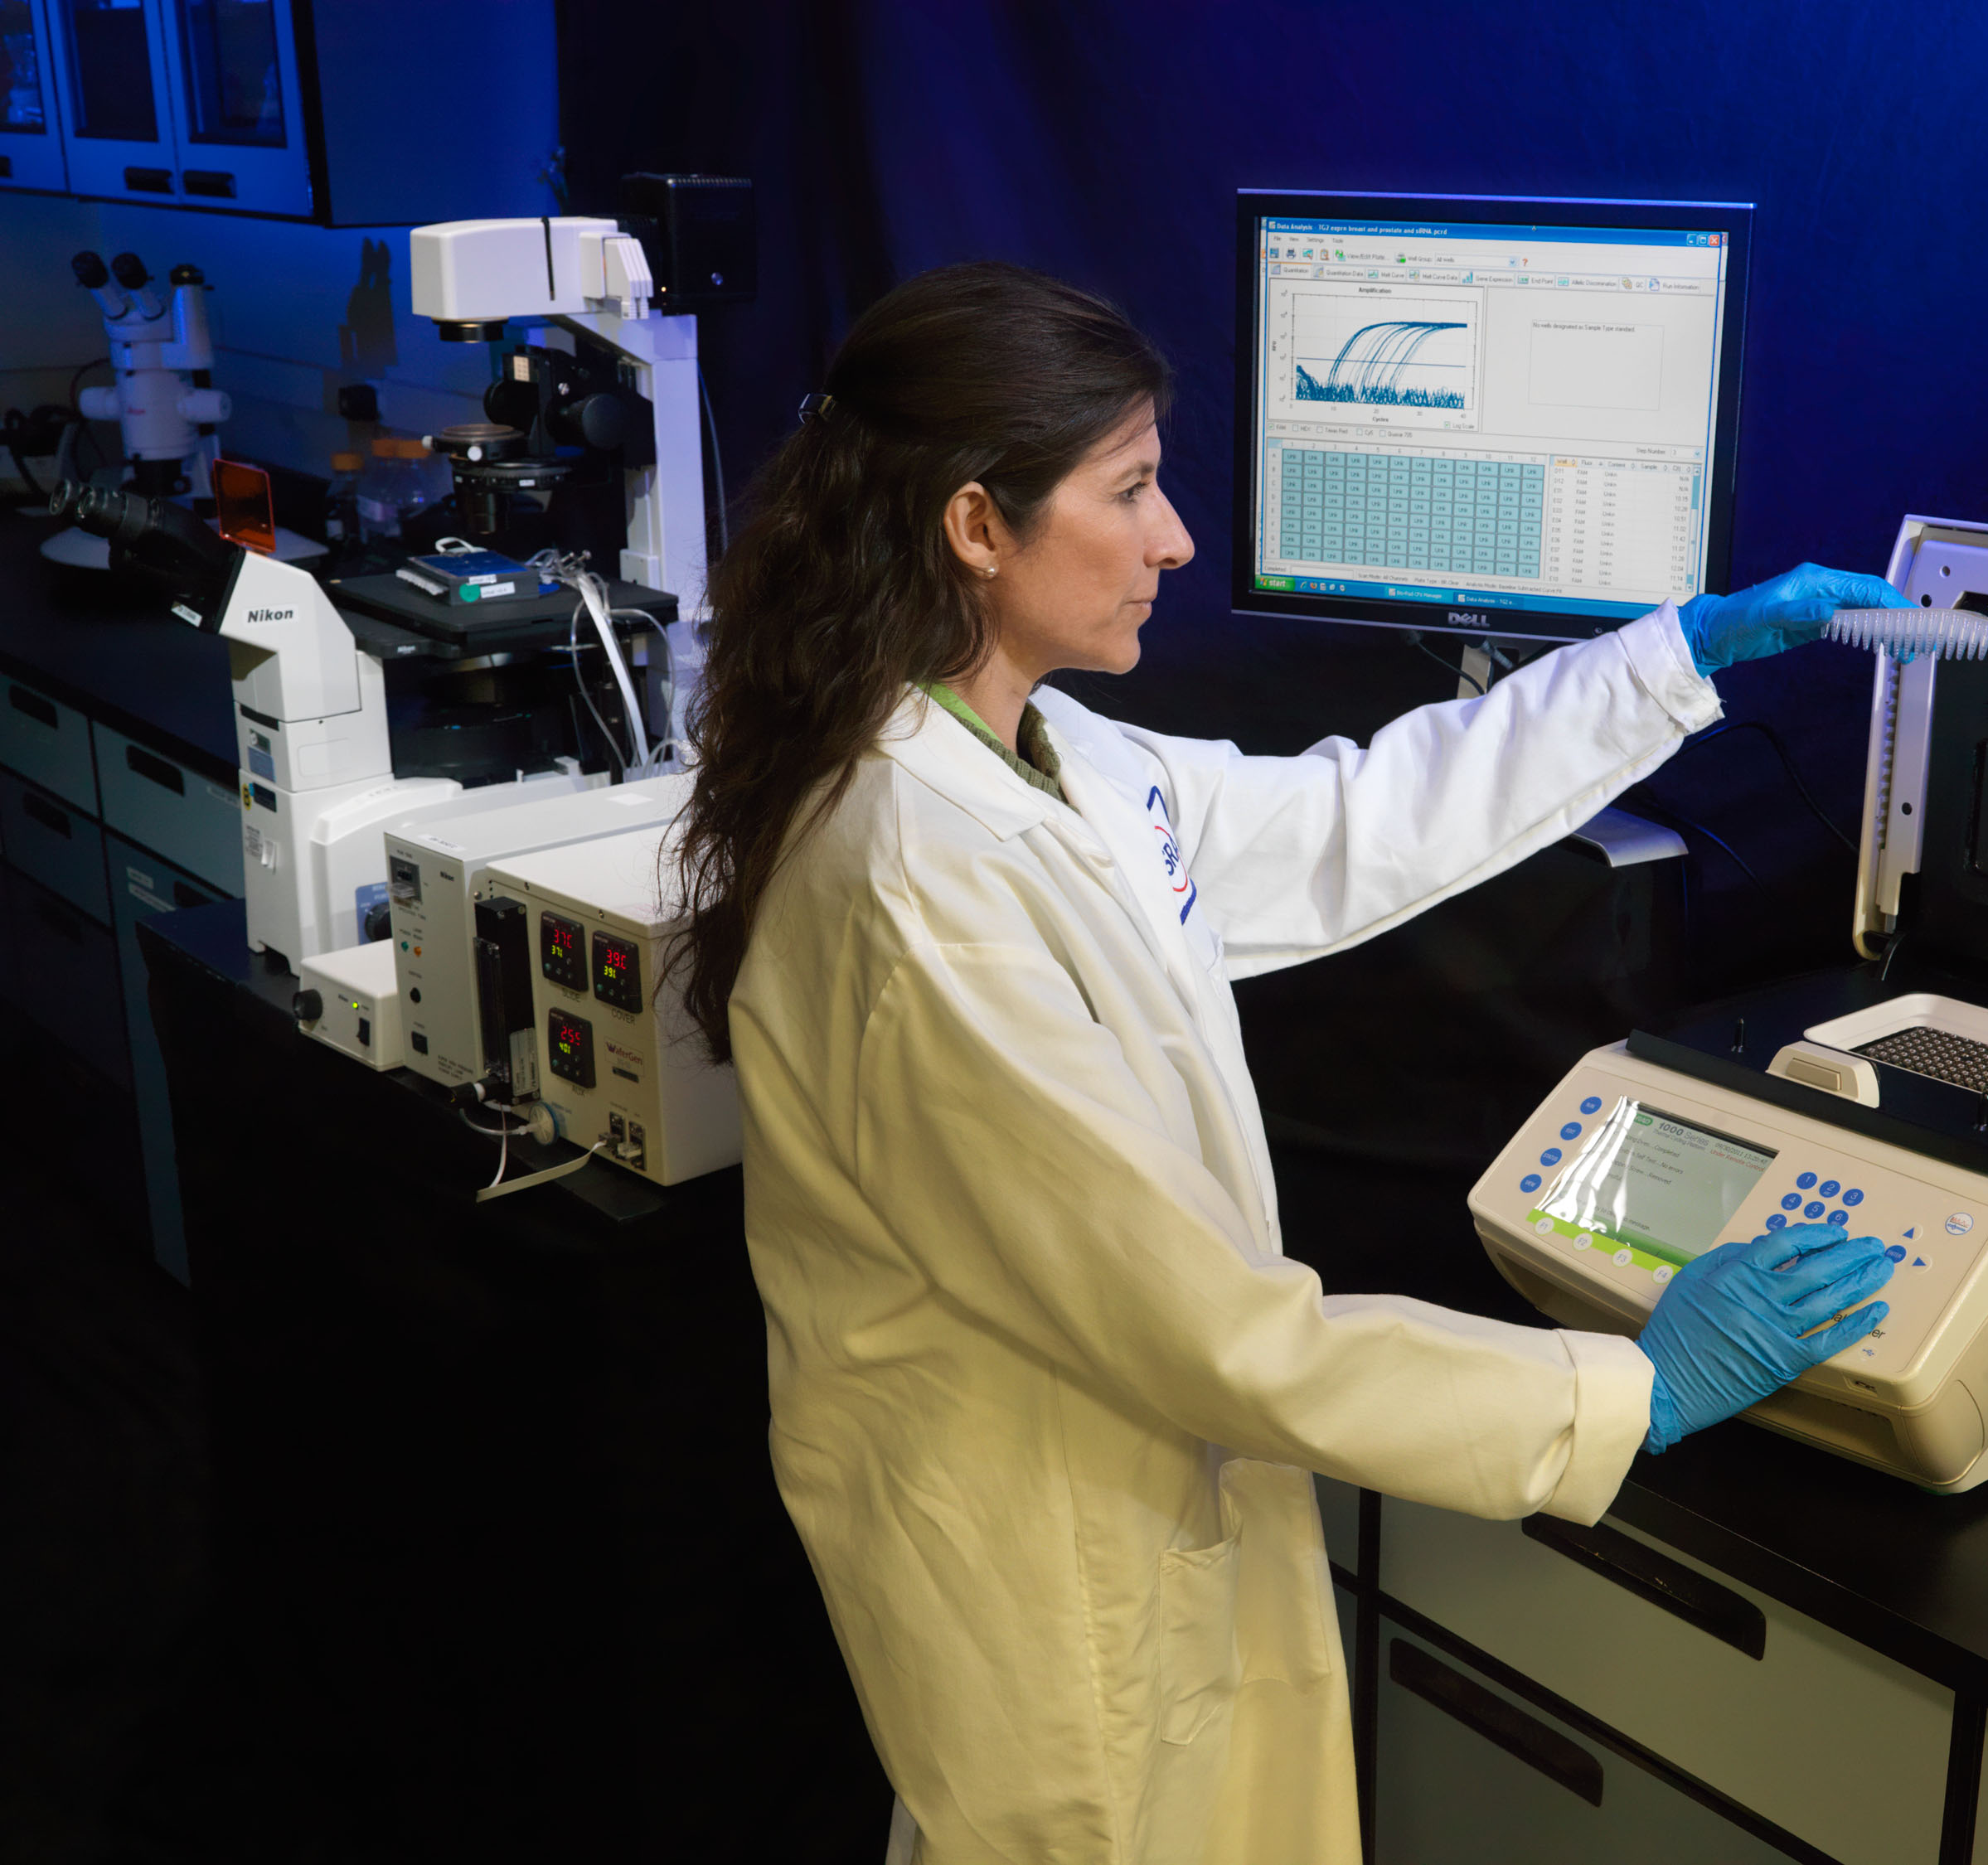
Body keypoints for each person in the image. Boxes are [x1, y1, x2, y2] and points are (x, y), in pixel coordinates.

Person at [674, 262, 1900, 1865]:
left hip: (1134, 1512)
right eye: (1131, 488)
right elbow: (1220, 1329)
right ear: (977, 525)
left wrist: (1673, 657)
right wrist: (1628, 1391)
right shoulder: (918, 884)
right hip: (1056, 1590)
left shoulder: (1049, 750)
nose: (1177, 537)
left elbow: (1350, 821)